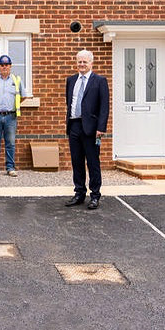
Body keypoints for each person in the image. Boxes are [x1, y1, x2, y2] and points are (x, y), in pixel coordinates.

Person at [64, 49, 109, 210]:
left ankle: (95, 195)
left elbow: (104, 107)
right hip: (74, 125)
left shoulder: (99, 81)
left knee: (93, 162)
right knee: (77, 162)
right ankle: (79, 193)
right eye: (79, 61)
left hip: (91, 129)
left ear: (91, 63)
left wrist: (101, 128)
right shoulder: (71, 80)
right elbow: (69, 103)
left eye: (85, 62)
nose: (81, 64)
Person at [0, 54, 24, 177]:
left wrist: (13, 105)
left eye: (6, 65)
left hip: (10, 116)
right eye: (2, 65)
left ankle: (10, 167)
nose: (4, 67)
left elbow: (23, 96)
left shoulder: (16, 80)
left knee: (10, 143)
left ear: (10, 66)